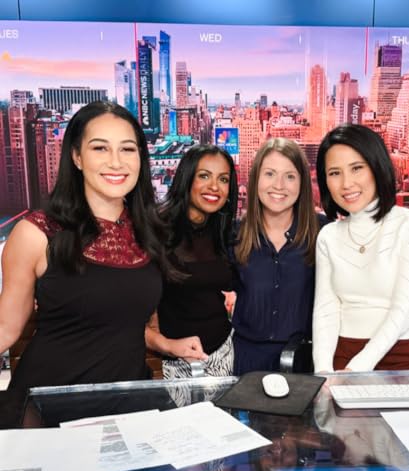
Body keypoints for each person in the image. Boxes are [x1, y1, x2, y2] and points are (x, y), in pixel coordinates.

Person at [1, 101, 171, 389]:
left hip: (129, 403)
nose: (116, 162)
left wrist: (169, 344)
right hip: (51, 405)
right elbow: (6, 328)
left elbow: (123, 323)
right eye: (100, 148)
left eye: (128, 148)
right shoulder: (36, 234)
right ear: (77, 157)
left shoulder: (149, 231)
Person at [313, 123, 409, 372]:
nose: (346, 183)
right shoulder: (328, 236)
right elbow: (326, 310)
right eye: (334, 173)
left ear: (377, 168)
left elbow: (405, 310)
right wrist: (323, 373)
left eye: (357, 168)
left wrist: (357, 370)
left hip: (408, 357)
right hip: (343, 355)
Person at [232, 138, 327, 375]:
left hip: (304, 365)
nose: (279, 185)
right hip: (245, 365)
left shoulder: (323, 232)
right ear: (256, 180)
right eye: (270, 174)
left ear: (302, 183)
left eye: (290, 176)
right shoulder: (234, 235)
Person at [145, 144, 238, 378]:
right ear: (187, 179)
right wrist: (166, 345)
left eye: (223, 179)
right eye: (204, 176)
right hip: (173, 361)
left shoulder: (225, 229)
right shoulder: (156, 228)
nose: (214, 187)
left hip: (223, 353)